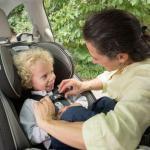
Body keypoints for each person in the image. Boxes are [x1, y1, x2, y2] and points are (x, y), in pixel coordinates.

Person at [33, 8, 150, 150]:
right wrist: (83, 85)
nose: (93, 61)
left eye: (95, 58)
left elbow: (112, 138)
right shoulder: (135, 60)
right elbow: (114, 77)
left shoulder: (143, 84)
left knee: (70, 114)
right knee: (102, 102)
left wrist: (46, 122)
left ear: (121, 56)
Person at [13, 48, 89, 149]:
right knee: (71, 113)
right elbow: (31, 135)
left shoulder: (61, 89)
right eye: (44, 76)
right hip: (59, 139)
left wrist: (77, 105)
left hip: (81, 127)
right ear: (29, 82)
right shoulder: (31, 104)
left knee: (104, 102)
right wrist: (52, 123)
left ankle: (106, 128)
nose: (52, 77)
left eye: (51, 71)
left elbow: (83, 99)